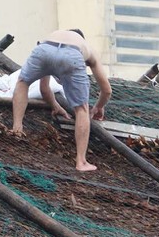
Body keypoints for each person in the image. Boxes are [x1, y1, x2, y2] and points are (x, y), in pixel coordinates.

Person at [11, 29, 112, 172]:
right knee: (81, 109)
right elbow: (107, 90)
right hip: (71, 55)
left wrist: (54, 105)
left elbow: (44, 88)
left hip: (44, 49)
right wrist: (98, 106)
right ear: (82, 40)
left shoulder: (55, 36)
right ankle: (81, 162)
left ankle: (16, 129)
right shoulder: (87, 48)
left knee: (22, 83)